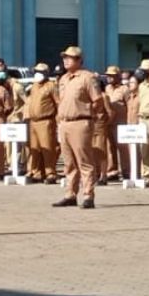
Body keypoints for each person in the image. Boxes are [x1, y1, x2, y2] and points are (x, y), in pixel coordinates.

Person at [53, 46, 103, 208]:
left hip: (81, 122)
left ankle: (88, 195)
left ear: (79, 60)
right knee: (69, 162)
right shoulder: (63, 79)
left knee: (84, 161)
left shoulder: (87, 78)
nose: (66, 60)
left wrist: (88, 115)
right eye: (64, 57)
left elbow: (97, 101)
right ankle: (70, 194)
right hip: (65, 123)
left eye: (70, 57)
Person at [27, 63, 59, 183]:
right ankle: (36, 173)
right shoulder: (34, 86)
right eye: (36, 71)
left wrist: (58, 120)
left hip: (46, 121)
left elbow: (58, 103)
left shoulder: (51, 86)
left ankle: (50, 173)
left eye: (40, 71)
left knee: (47, 148)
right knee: (35, 148)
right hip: (33, 121)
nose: (37, 73)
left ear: (46, 73)